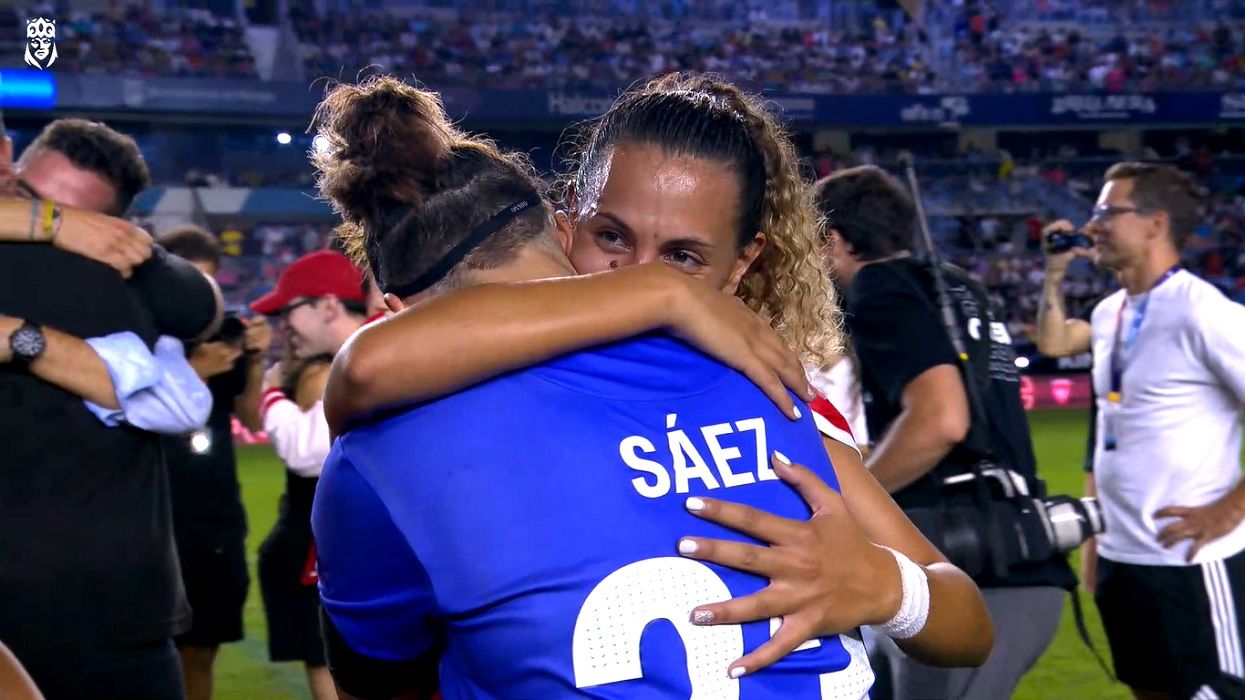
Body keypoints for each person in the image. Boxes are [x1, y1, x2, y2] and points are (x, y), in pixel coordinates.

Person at [311, 75, 989, 695]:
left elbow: (965, 625)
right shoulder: (751, 396)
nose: (634, 280)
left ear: (740, 263)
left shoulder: (771, 394)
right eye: (612, 237)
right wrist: (668, 292)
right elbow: (368, 369)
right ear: (566, 218)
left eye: (681, 259)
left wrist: (883, 585)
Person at [814, 165, 1077, 700]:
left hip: (970, 571)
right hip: (1020, 554)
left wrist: (853, 497)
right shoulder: (957, 284)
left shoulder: (880, 288)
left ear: (833, 240)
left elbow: (941, 420)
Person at [0, 118, 221, 700]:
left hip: (117, 614)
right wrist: (53, 222)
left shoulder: (126, 283)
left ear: (112, 230)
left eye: (80, 220)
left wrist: (25, 338)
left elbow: (199, 311)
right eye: (26, 194)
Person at [1043, 162, 1245, 700]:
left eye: (1109, 211)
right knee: (1148, 689)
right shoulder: (1110, 311)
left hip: (1191, 565)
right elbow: (1055, 343)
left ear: (1155, 224)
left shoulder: (1206, 313)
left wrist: (1228, 509)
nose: (1093, 225)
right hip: (1121, 558)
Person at [156, 226, 273, 700]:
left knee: (203, 650)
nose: (202, 299)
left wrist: (258, 360)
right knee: (156, 649)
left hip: (216, 515)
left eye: (210, 285)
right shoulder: (140, 340)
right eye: (192, 283)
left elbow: (250, 417)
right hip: (155, 514)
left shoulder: (223, 339)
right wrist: (190, 373)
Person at [248, 250, 369, 700]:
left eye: (288, 312)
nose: (283, 327)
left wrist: (273, 391)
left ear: (328, 306)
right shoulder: (382, 346)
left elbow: (306, 453)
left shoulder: (366, 356)